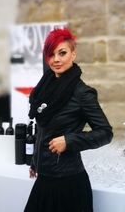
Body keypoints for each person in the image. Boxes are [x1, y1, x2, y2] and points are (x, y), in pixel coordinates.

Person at [24, 28, 113, 212]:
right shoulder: (45, 87)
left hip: (68, 184)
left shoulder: (83, 93)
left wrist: (69, 140)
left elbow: (105, 133)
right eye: (51, 54)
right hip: (45, 177)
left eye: (62, 53)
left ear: (73, 54)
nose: (56, 59)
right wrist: (36, 160)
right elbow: (44, 129)